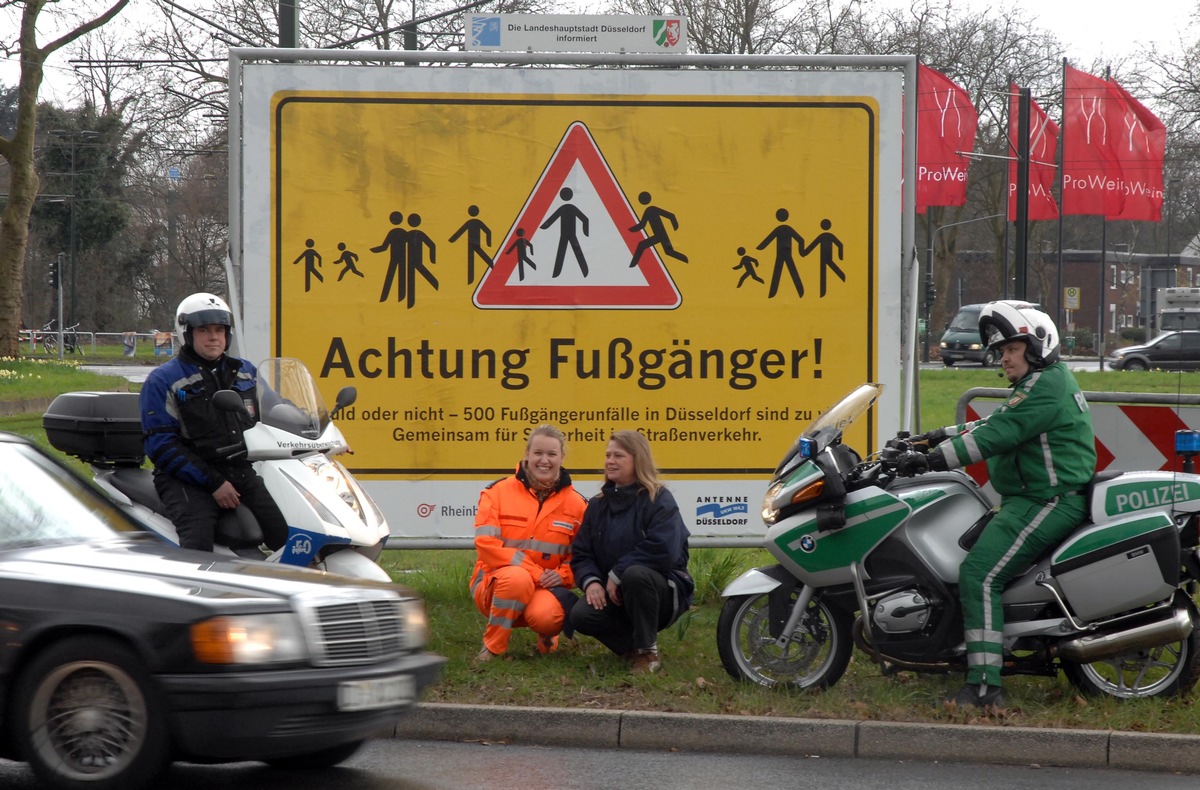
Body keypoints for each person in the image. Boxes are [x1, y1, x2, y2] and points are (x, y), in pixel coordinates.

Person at [898, 301, 1096, 710]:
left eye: (1010, 348)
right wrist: (933, 437)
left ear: (1037, 343)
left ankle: (986, 687)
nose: (1002, 357)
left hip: (1046, 501)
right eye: (1000, 350)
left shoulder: (1047, 385)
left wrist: (930, 460)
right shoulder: (1041, 383)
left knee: (979, 575)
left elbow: (996, 435)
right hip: (1032, 499)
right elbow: (992, 422)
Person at [140, 293, 289, 553]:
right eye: (204, 330)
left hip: (239, 470)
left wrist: (322, 437)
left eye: (220, 330)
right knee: (197, 542)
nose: (213, 337)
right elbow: (160, 445)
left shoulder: (245, 372)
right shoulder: (163, 380)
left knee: (286, 533)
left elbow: (278, 410)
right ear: (187, 334)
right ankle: (194, 591)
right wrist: (213, 483)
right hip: (187, 480)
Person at [569, 430, 695, 675]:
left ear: (638, 460)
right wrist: (591, 581)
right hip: (615, 594)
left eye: (618, 455)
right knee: (580, 615)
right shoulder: (597, 505)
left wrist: (617, 573)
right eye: (607, 455)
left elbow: (665, 549)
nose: (610, 461)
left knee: (635, 574)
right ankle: (631, 649)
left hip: (661, 593)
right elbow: (582, 553)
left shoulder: (659, 499)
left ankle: (649, 653)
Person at [471, 424, 586, 664]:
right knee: (517, 578)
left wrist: (563, 576)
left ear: (562, 457)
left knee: (549, 616)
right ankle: (492, 647)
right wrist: (535, 572)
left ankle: (547, 635)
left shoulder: (577, 505)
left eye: (552, 454)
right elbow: (486, 546)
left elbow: (582, 556)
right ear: (527, 454)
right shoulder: (497, 492)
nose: (544, 460)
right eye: (538, 453)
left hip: (545, 586)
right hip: (494, 583)